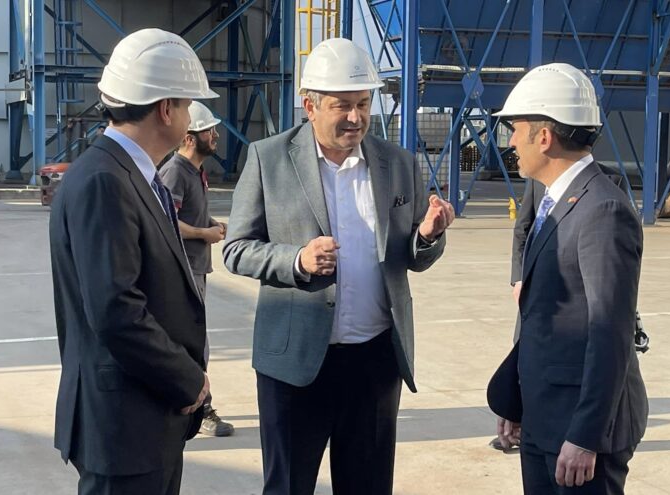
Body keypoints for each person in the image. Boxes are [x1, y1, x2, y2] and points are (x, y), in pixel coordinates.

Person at [223, 38, 455, 495]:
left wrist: (428, 235)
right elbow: (236, 248)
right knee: (288, 486)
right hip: (295, 363)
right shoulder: (269, 158)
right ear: (310, 106)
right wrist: (296, 259)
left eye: (363, 104)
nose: (355, 117)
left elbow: (411, 256)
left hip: (375, 361)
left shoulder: (398, 163)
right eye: (342, 105)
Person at [49, 29, 218, 494]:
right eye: (187, 104)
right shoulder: (105, 181)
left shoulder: (135, 175)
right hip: (124, 424)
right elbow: (116, 310)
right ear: (165, 109)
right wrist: (188, 380)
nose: (190, 116)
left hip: (145, 416)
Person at [491, 63, 647, 494]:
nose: (511, 141)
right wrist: (517, 399)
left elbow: (610, 332)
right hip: (544, 417)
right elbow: (542, 315)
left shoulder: (602, 210)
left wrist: (585, 436)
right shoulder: (555, 202)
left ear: (544, 137)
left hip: (579, 432)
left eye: (515, 130)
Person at [159, 101, 234, 437]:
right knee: (192, 343)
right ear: (190, 138)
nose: (215, 136)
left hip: (196, 269)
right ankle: (200, 410)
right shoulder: (175, 171)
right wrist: (204, 233)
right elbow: (167, 221)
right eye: (208, 131)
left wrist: (210, 223)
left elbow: (187, 213)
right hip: (183, 273)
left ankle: (191, 404)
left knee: (195, 342)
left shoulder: (195, 171)